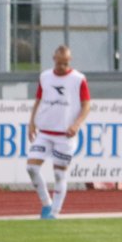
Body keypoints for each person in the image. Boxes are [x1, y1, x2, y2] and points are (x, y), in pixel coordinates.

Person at [27, 45, 91, 219]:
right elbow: (38, 100)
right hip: (45, 132)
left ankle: (54, 213)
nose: (62, 66)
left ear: (70, 60)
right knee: (32, 167)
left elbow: (86, 105)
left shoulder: (78, 79)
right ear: (53, 59)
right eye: (59, 63)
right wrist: (31, 123)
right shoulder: (45, 77)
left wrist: (76, 125)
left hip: (65, 135)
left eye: (65, 63)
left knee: (59, 174)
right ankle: (46, 203)